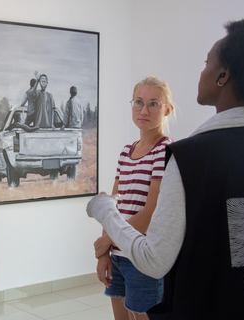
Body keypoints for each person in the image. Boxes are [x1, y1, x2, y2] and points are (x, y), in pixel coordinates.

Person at [86, 19, 244, 319]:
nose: (202, 70)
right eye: (138, 102)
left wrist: (104, 211)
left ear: (223, 75)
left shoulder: (188, 155)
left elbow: (154, 259)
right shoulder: (163, 153)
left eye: (207, 62)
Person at [92, 76, 174, 320]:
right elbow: (112, 210)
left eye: (153, 104)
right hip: (117, 255)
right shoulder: (126, 153)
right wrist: (105, 252)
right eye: (138, 102)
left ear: (167, 109)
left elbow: (150, 215)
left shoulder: (165, 150)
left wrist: (105, 243)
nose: (144, 110)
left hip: (142, 256)